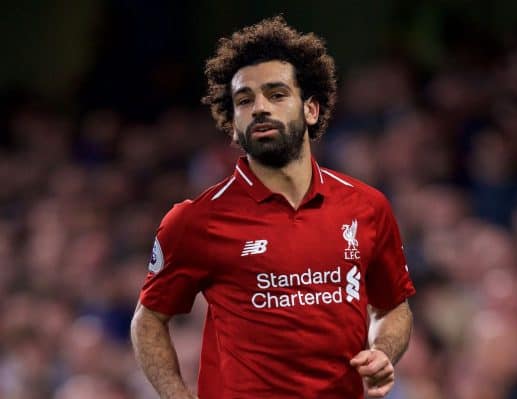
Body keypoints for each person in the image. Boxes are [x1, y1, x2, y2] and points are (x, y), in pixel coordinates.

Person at [130, 16, 415, 399]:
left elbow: (393, 307)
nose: (260, 108)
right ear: (233, 126)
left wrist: (382, 352)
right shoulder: (195, 220)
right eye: (244, 101)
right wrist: (176, 394)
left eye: (276, 94)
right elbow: (149, 319)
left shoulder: (367, 206)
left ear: (311, 109)